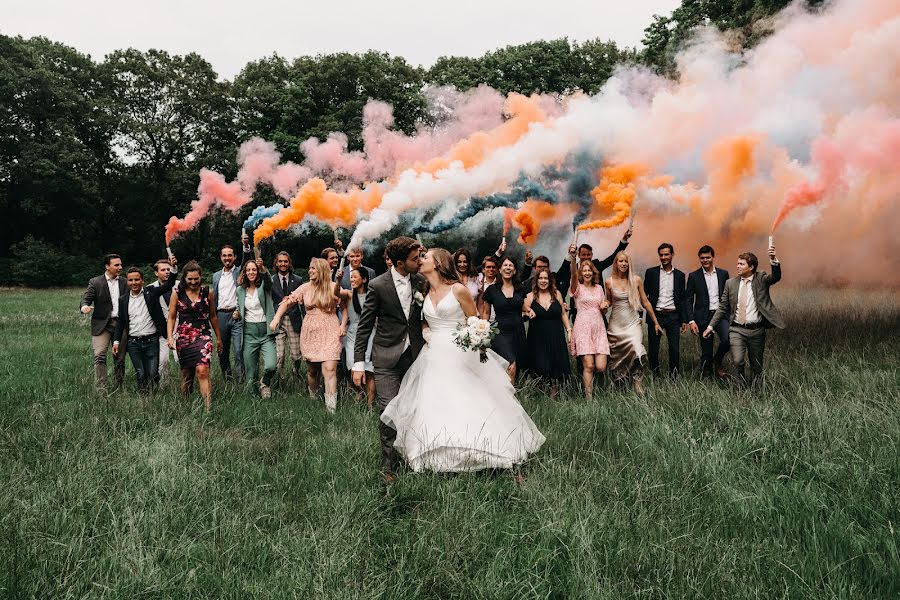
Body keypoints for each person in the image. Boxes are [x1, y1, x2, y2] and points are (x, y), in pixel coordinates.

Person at [381, 248, 545, 476]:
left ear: (438, 263)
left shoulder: (458, 289)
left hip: (459, 351)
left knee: (469, 399)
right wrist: (428, 335)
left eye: (425, 257)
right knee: (435, 402)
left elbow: (474, 321)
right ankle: (438, 455)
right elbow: (422, 323)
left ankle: (484, 450)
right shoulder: (424, 290)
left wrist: (475, 339)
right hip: (433, 354)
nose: (420, 261)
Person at [352, 237, 426, 482]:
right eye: (415, 259)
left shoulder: (421, 281)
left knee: (416, 408)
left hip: (415, 356)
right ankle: (389, 466)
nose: (419, 262)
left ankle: (414, 456)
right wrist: (358, 363)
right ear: (399, 262)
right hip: (385, 358)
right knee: (388, 409)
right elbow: (363, 328)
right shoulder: (377, 285)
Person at [271, 257, 346, 413]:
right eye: (310, 268)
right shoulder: (305, 288)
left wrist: (343, 325)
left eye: (313, 268)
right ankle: (314, 399)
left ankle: (331, 409)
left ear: (322, 270)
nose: (310, 271)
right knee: (312, 370)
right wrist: (276, 318)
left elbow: (344, 307)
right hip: (310, 331)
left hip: (330, 328)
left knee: (330, 368)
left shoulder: (333, 287)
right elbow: (287, 302)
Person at [705, 247, 784, 386]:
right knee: (738, 361)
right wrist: (711, 326)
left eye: (741, 264)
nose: (738, 266)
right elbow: (723, 306)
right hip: (736, 329)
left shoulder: (761, 279)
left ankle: (757, 391)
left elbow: (775, 277)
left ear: (751, 266)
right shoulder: (730, 283)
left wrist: (773, 260)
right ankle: (740, 389)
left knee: (757, 366)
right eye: (738, 263)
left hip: (756, 330)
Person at [113, 258, 177, 390]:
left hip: (152, 340)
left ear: (142, 280)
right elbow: (120, 322)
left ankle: (155, 390)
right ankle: (145, 397)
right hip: (133, 342)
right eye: (130, 280)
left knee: (153, 373)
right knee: (141, 373)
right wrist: (116, 341)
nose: (134, 283)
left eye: (137, 280)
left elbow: (169, 284)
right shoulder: (123, 299)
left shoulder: (151, 292)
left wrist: (173, 268)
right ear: (127, 281)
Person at [167, 261, 224, 410]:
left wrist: (218, 337)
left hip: (203, 335)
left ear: (201, 277)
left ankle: (208, 407)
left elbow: (213, 316)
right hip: (184, 337)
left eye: (196, 279)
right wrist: (170, 337)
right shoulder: (177, 293)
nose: (193, 282)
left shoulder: (208, 292)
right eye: (190, 279)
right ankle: (186, 404)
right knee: (187, 374)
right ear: (184, 278)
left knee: (202, 370)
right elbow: (172, 317)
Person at [605, 252, 661, 394]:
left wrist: (655, 322)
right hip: (616, 324)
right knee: (618, 355)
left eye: (626, 261)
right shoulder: (608, 281)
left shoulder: (636, 280)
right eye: (621, 261)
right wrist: (604, 304)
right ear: (616, 264)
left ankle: (637, 384)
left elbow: (645, 302)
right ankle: (621, 383)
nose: (623, 264)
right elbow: (609, 300)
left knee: (637, 349)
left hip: (633, 322)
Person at [80, 254, 127, 392]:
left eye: (120, 265)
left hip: (121, 324)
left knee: (120, 359)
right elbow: (86, 298)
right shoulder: (95, 282)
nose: (120, 267)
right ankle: (101, 389)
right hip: (102, 325)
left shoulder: (125, 282)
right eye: (116, 265)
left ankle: (118, 387)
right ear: (107, 266)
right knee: (99, 355)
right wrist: (84, 307)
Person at [522, 269, 572, 399]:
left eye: (546, 279)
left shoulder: (557, 294)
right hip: (537, 337)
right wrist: (527, 314)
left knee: (555, 365)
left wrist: (569, 330)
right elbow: (523, 314)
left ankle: (552, 398)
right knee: (540, 365)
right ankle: (540, 392)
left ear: (550, 281)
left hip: (556, 335)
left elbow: (562, 314)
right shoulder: (529, 296)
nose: (543, 281)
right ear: (536, 280)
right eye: (540, 278)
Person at [568, 251, 611, 399]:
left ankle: (597, 388)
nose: (587, 273)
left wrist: (605, 307)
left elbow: (602, 310)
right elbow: (573, 275)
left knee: (601, 366)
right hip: (583, 328)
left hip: (598, 327)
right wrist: (573, 259)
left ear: (593, 273)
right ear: (581, 273)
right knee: (589, 366)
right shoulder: (577, 288)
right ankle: (589, 398)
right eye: (584, 270)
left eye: (589, 270)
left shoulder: (599, 288)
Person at [643, 243, 688, 378]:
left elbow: (682, 298)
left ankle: (674, 377)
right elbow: (644, 294)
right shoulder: (651, 272)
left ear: (672, 255)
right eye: (661, 255)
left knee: (674, 349)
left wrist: (684, 319)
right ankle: (655, 376)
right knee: (653, 349)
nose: (663, 257)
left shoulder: (680, 275)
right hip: (655, 315)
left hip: (673, 316)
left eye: (666, 254)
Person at [480, 256, 527, 383]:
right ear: (500, 270)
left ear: (515, 270)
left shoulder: (520, 289)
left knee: (517, 366)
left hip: (518, 330)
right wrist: (483, 331)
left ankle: (511, 394)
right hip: (500, 331)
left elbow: (524, 307)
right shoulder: (492, 290)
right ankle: (508, 400)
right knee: (510, 363)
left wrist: (530, 311)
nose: (508, 267)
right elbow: (486, 312)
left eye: (511, 265)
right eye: (505, 265)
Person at [686, 245, 730, 379]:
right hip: (702, 317)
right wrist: (691, 320)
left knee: (728, 340)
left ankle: (717, 359)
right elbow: (688, 300)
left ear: (713, 257)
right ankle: (706, 377)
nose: (705, 260)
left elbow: (728, 296)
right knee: (706, 350)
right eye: (702, 258)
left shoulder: (723, 274)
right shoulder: (693, 276)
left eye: (708, 257)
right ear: (699, 259)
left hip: (720, 315)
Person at [335, 266, 376, 408]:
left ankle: (370, 405)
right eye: (350, 277)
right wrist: (339, 281)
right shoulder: (349, 294)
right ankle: (359, 395)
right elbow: (336, 293)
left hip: (370, 333)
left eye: (355, 277)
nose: (351, 279)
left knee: (369, 370)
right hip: (353, 333)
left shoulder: (372, 295)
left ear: (364, 279)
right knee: (353, 366)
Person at [238, 258, 277, 398]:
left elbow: (269, 280)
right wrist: (236, 313)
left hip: (266, 332)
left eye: (254, 269)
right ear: (244, 272)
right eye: (248, 270)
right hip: (249, 332)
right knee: (251, 370)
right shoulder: (240, 290)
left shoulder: (264, 287)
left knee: (271, 365)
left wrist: (262, 269)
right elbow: (239, 307)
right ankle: (253, 398)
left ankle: (264, 382)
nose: (251, 272)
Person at [212, 243, 249, 382]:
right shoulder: (216, 276)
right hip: (221, 315)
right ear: (221, 257)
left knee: (239, 350)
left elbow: (246, 262)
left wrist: (245, 246)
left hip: (236, 315)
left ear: (234, 257)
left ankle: (241, 381)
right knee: (222, 351)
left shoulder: (239, 271)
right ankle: (227, 379)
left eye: (230, 255)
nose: (227, 258)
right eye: (224, 255)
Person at [270, 252, 303, 379]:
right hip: (278, 320)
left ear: (289, 263)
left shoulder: (298, 280)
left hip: (293, 319)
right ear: (276, 263)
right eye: (280, 261)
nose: (283, 264)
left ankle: (296, 371)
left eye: (285, 261)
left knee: (296, 354)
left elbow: (303, 301)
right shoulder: (271, 280)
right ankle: (281, 377)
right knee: (280, 354)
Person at [149, 259, 178, 384]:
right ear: (156, 273)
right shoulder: (150, 289)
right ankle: (164, 385)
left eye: (168, 269)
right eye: (163, 270)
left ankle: (186, 383)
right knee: (163, 360)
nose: (166, 272)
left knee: (181, 359)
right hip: (161, 330)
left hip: (180, 326)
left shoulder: (179, 285)